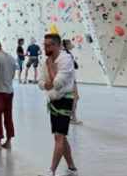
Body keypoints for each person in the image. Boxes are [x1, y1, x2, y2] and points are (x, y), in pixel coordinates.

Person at [39, 33, 78, 176]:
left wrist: (50, 68)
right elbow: (41, 83)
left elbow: (57, 83)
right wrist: (47, 84)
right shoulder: (46, 61)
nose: (45, 47)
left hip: (65, 101)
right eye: (44, 45)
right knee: (60, 136)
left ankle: (51, 171)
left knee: (59, 137)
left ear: (56, 45)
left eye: (48, 45)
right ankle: (72, 166)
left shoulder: (66, 59)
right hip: (53, 101)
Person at [63, 39, 82, 125]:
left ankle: (71, 116)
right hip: (69, 79)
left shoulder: (67, 53)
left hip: (70, 78)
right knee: (75, 98)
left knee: (74, 98)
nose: (71, 44)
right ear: (66, 45)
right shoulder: (66, 54)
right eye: (70, 43)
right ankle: (72, 117)